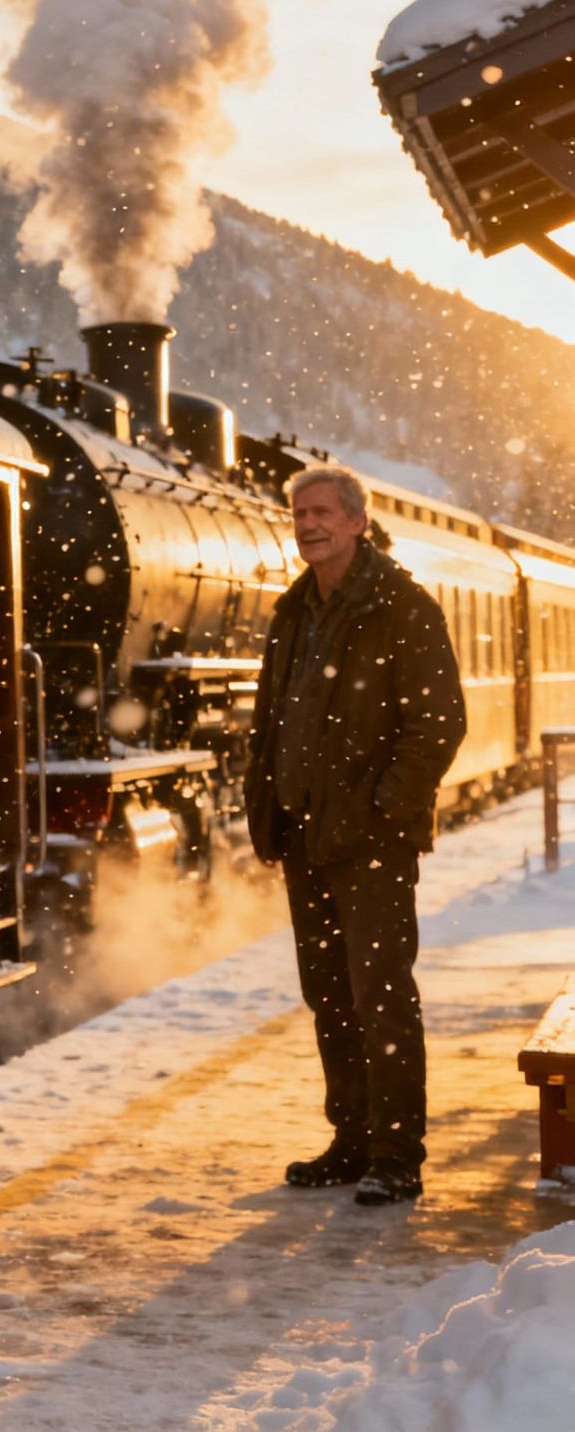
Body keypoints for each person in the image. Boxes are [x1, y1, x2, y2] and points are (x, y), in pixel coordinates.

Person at [245, 466, 465, 1207]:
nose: (308, 524)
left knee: (382, 996)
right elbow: (270, 721)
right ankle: (352, 1140)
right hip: (306, 836)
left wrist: (383, 813)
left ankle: (398, 1156)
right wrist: (265, 804)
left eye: (323, 513)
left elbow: (438, 725)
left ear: (358, 523)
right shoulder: (294, 611)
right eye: (299, 512)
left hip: (372, 842)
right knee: (329, 995)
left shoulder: (402, 606)